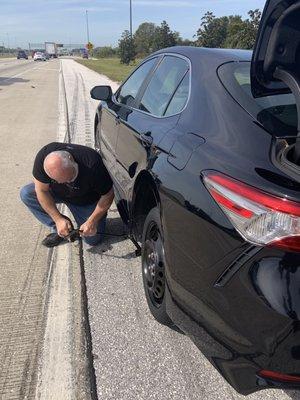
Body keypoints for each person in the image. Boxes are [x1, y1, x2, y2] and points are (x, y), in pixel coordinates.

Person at [20, 142, 114, 247]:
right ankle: (61, 229)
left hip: (84, 200)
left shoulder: (92, 164)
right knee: (27, 193)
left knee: (92, 239)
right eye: (57, 180)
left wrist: (93, 220)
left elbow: (108, 195)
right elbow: (41, 191)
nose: (64, 183)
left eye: (69, 178)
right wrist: (58, 219)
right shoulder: (44, 156)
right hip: (56, 192)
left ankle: (90, 221)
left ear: (73, 162)